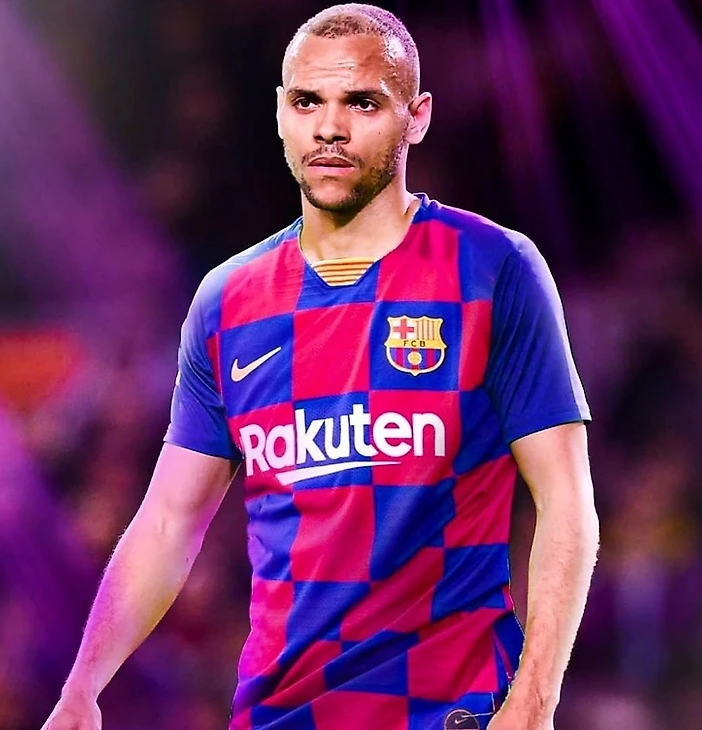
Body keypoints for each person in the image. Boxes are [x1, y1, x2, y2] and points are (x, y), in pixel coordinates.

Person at [41, 4, 599, 730]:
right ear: (281, 113)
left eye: (361, 102)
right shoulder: (226, 301)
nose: (329, 127)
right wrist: (82, 687)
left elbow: (566, 503)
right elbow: (169, 521)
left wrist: (534, 699)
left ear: (416, 117)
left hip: (447, 707)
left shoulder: (494, 268)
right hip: (279, 714)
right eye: (308, 101)